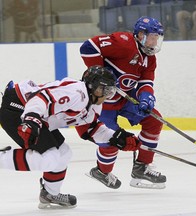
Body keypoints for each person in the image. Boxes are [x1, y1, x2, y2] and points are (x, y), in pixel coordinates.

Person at [0, 66, 140, 209]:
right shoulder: (77, 93)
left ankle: (49, 193)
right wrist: (31, 119)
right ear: (93, 87)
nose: (107, 95)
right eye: (105, 90)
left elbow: (90, 129)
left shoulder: (93, 105)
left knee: (64, 153)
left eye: (110, 91)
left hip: (35, 116)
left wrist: (117, 138)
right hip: (18, 107)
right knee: (49, 158)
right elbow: (41, 98)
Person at [79, 16, 167, 189]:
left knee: (154, 121)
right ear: (140, 35)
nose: (155, 41)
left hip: (124, 98)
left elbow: (145, 82)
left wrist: (146, 97)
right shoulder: (123, 42)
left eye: (157, 37)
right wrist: (100, 75)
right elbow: (88, 47)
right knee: (112, 140)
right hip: (101, 102)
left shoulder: (150, 58)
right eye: (152, 36)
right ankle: (102, 172)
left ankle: (142, 167)